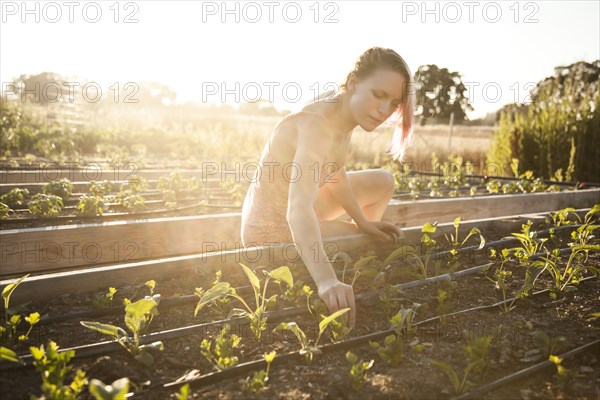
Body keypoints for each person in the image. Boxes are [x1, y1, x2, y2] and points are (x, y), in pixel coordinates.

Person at [240, 46, 415, 329]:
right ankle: (329, 270)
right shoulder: (317, 126)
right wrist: (325, 280)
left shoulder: (341, 113)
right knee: (366, 245)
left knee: (383, 183)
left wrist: (363, 221)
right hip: (270, 233)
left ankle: (333, 248)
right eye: (378, 94)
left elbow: (334, 173)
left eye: (393, 102)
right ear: (354, 82)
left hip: (295, 210)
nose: (384, 110)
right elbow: (297, 209)